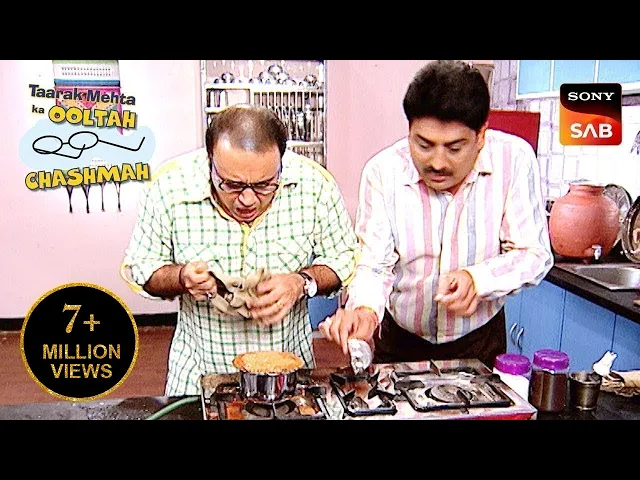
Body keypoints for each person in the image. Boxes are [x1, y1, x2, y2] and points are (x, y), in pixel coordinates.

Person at [320, 60, 553, 369]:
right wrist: (364, 310)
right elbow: (375, 264)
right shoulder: (383, 172)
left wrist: (478, 279)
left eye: (454, 148)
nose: (438, 163)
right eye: (424, 145)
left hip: (478, 341)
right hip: (400, 339)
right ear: (409, 131)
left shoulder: (514, 160)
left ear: (481, 136)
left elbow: (533, 253)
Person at [121, 104, 358, 396]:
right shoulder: (169, 187)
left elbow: (343, 258)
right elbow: (143, 268)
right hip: (198, 375)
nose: (247, 200)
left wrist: (301, 282)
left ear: (281, 163)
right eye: (231, 185)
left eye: (264, 185)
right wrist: (182, 278)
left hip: (287, 378)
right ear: (210, 161)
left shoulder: (315, 185)